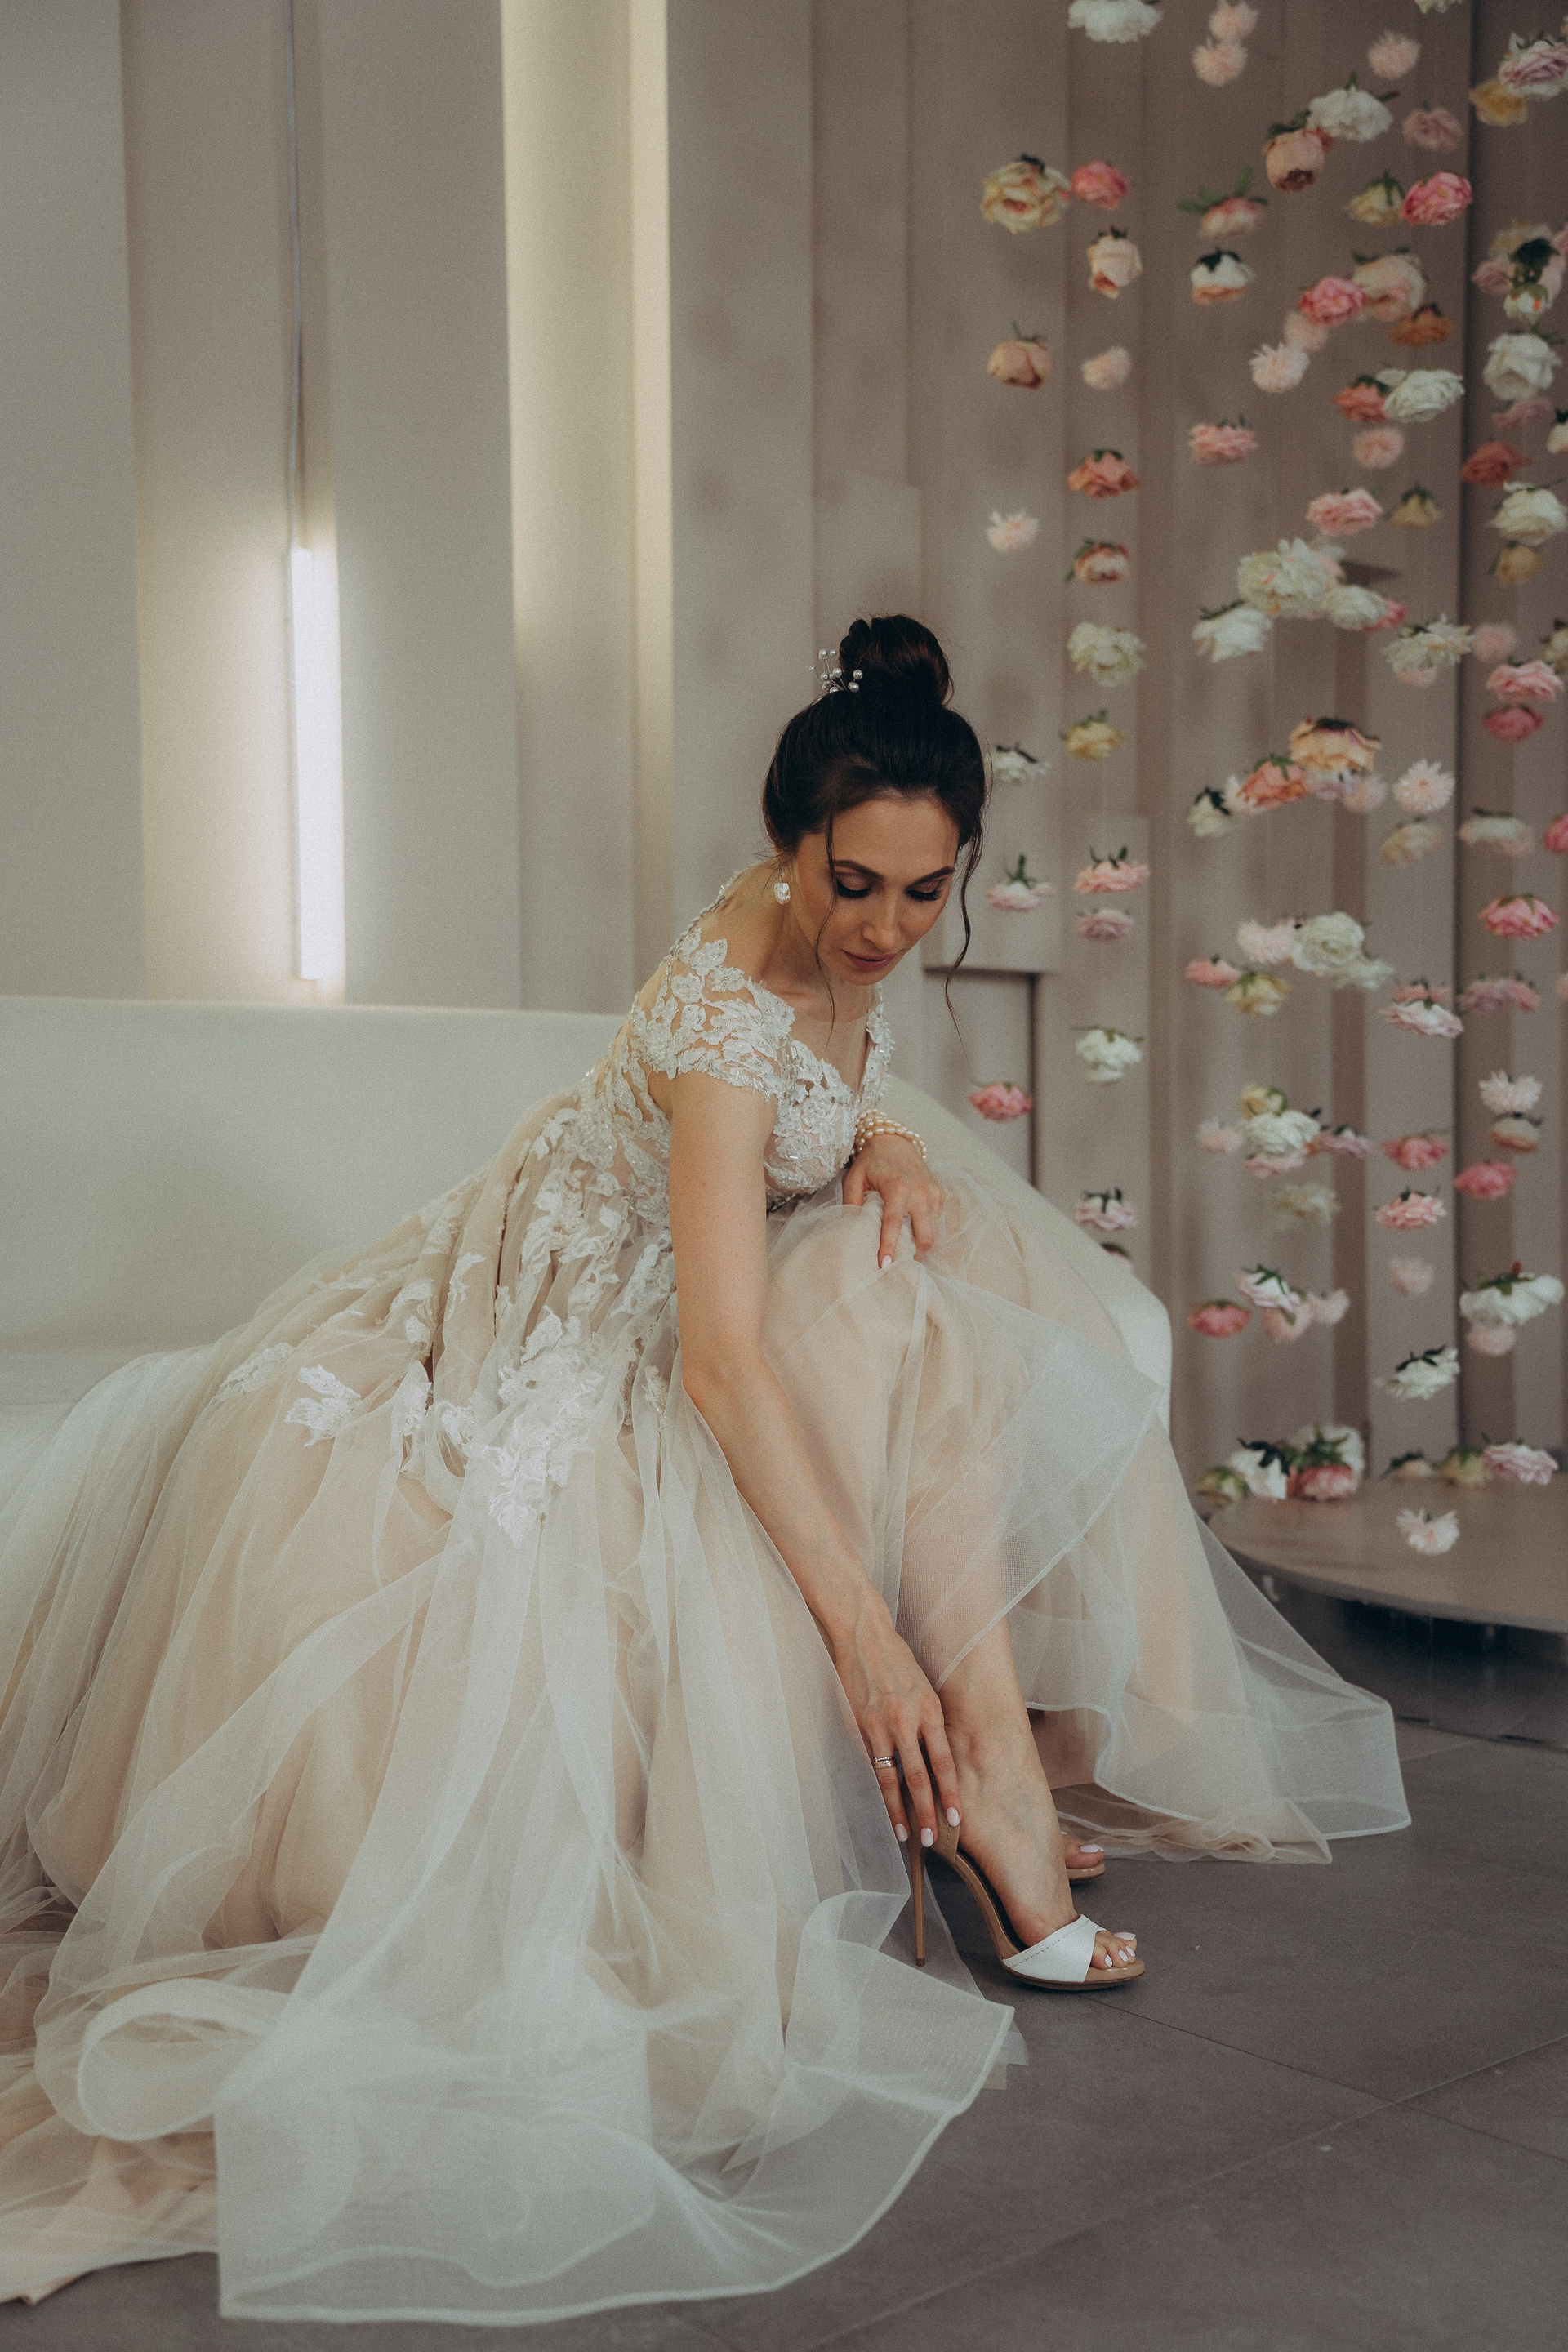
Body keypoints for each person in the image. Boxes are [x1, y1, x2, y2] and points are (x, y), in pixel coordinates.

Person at [0, 616, 1406, 2323]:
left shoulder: (834, 947)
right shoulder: (720, 1019)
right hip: (573, 1319)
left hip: (723, 1278)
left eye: (927, 892)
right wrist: (864, 1642)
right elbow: (724, 1365)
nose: (884, 928)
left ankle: (989, 1769)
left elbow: (845, 1077)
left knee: (929, 1281)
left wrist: (885, 1136)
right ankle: (980, 1773)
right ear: (785, 847)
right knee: (888, 1317)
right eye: (852, 884)